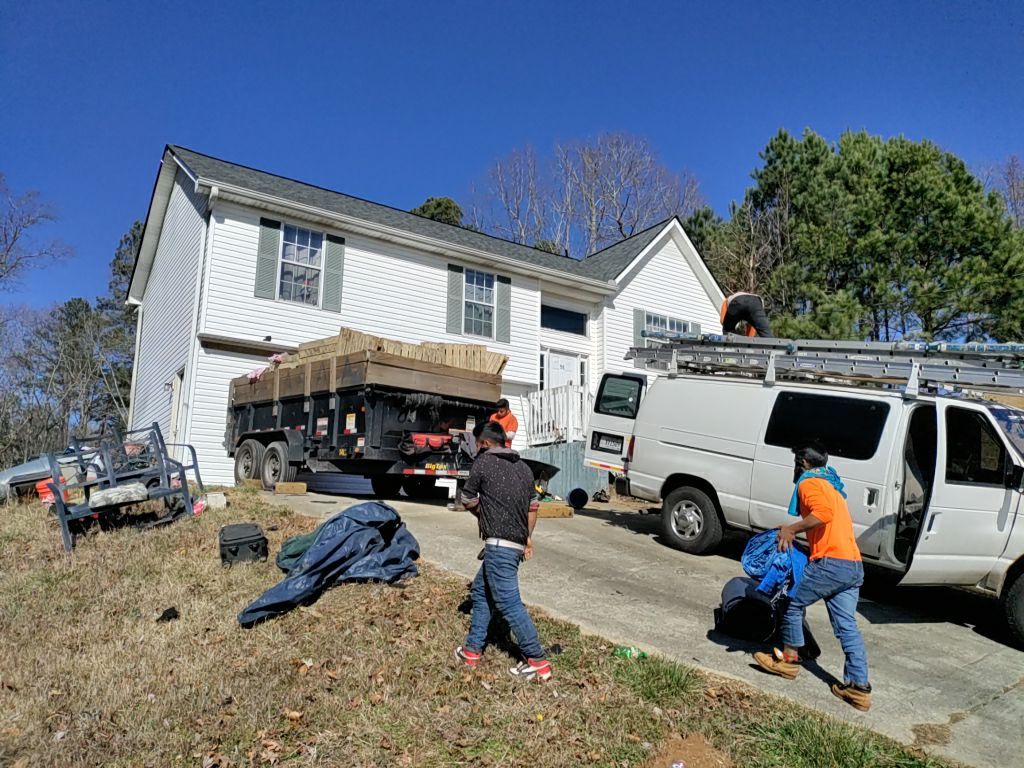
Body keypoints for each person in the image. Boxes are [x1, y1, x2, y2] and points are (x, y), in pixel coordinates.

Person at [752, 441, 872, 711]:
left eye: (796, 461)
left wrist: (792, 530)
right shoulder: (830, 484)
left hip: (831, 563)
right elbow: (828, 522)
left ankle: (789, 662)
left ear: (803, 462)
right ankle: (858, 688)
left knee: (790, 602)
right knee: (846, 626)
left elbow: (823, 515)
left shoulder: (809, 483)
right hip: (852, 565)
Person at [455, 421, 551, 681]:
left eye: (477, 445)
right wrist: (527, 538)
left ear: (485, 444)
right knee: (480, 591)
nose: (476, 450)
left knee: (509, 604)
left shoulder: (484, 463)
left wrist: (482, 515)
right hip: (514, 544)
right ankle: (472, 651)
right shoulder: (523, 468)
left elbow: (467, 499)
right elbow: (533, 508)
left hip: (498, 546)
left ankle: (537, 661)